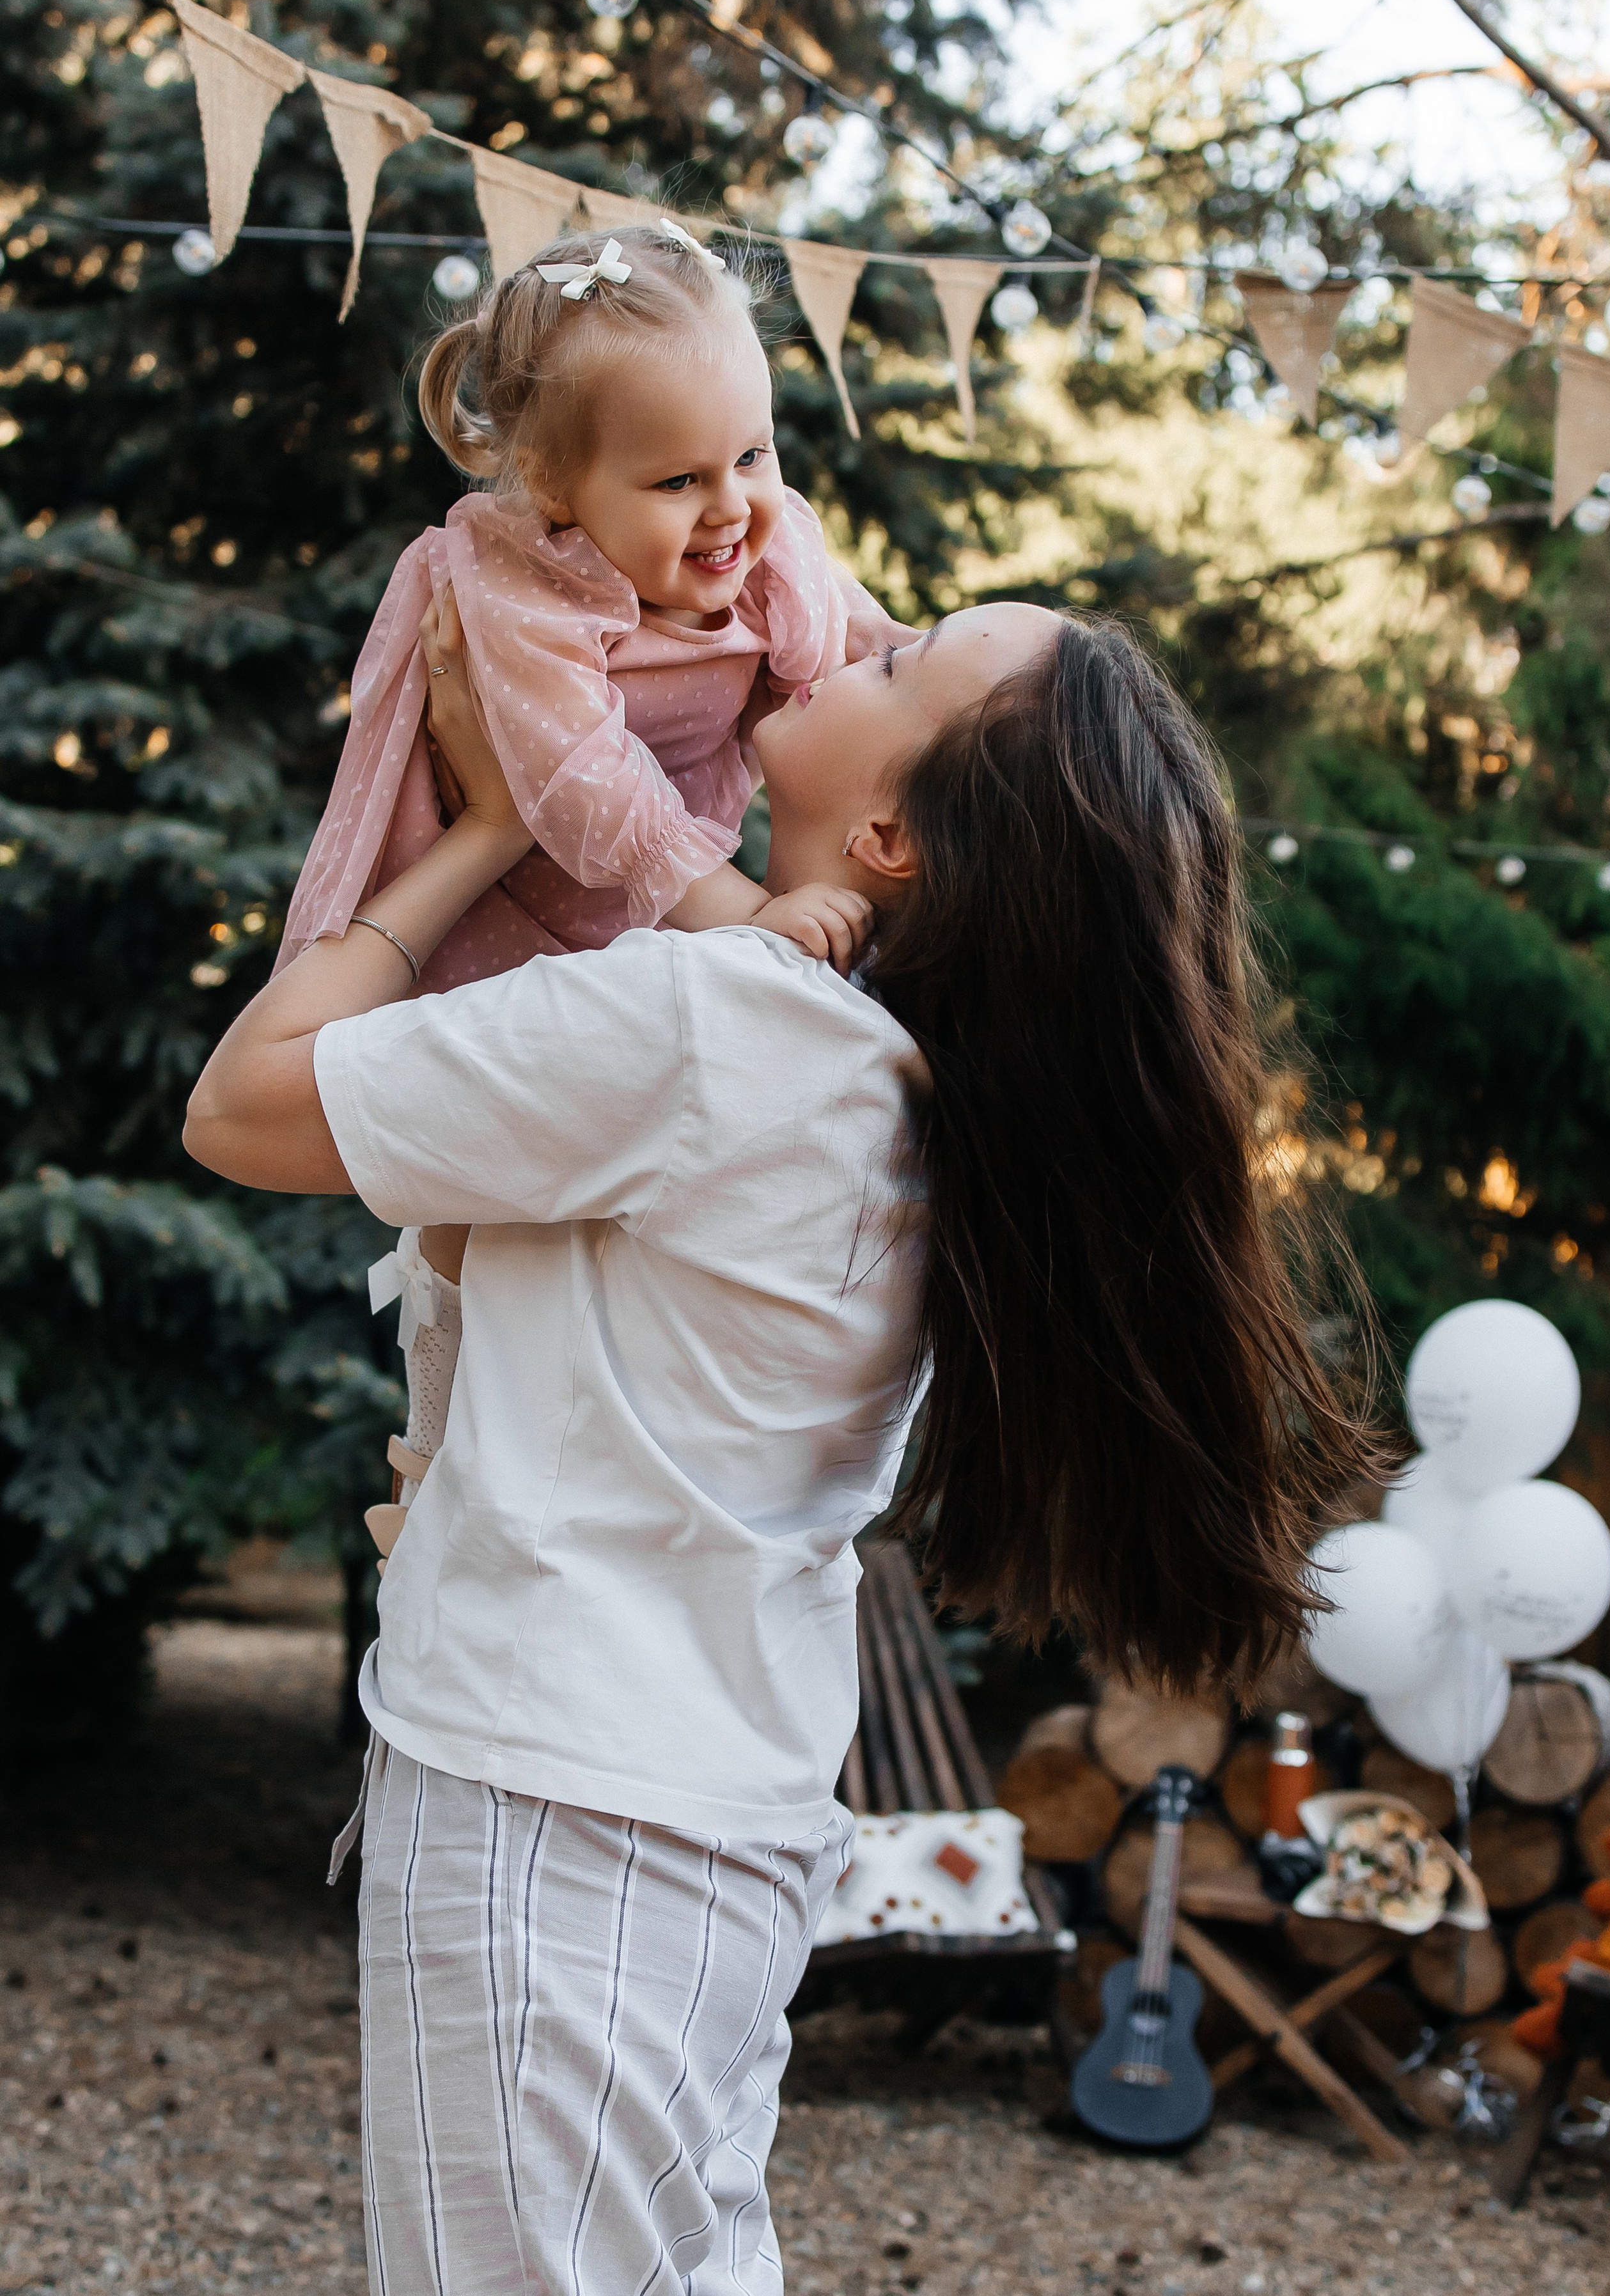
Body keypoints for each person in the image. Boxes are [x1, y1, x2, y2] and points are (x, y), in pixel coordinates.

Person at [185, 594, 1386, 2293]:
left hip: (558, 1817)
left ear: (886, 837)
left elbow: (242, 1105)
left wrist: (488, 829)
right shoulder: (887, 1082)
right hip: (714, 1825)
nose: (841, 643)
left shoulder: (722, 1027)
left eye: (895, 665)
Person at [278, 219, 893, 1487]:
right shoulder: (510, 582)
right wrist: (731, 909)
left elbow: (850, 656)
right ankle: (432, 1444)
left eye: (752, 452)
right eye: (676, 482)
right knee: (461, 1193)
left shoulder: (767, 534)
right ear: (558, 493)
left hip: (646, 899)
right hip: (507, 882)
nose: (731, 506)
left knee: (614, 1166)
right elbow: (577, 783)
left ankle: (601, 1424)